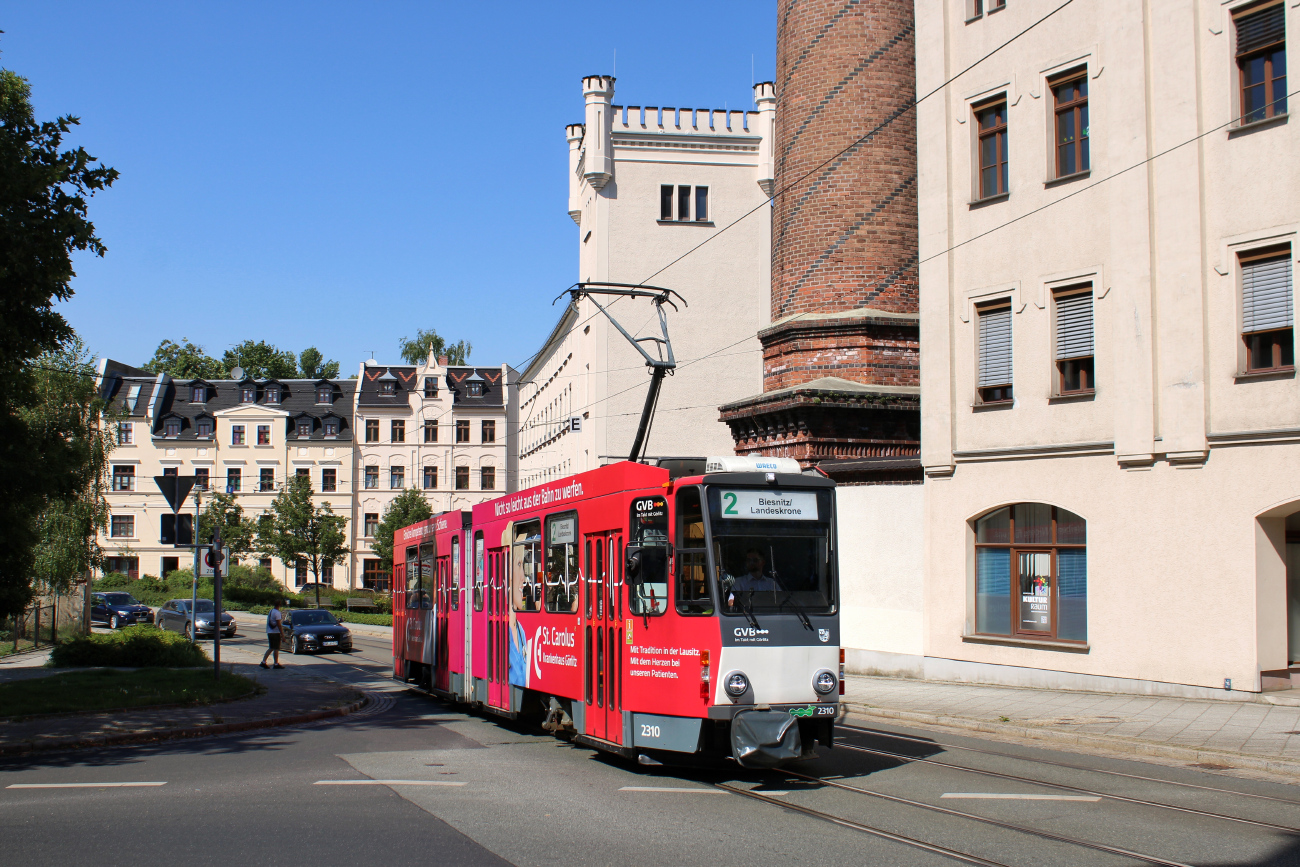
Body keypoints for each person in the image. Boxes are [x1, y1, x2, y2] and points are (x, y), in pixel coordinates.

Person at [261, 600, 286, 669]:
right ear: (280, 605)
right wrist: (283, 635)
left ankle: (273, 662)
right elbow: (279, 624)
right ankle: (269, 662)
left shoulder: (271, 611)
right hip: (275, 632)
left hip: (269, 632)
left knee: (273, 648)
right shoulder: (277, 613)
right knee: (275, 648)